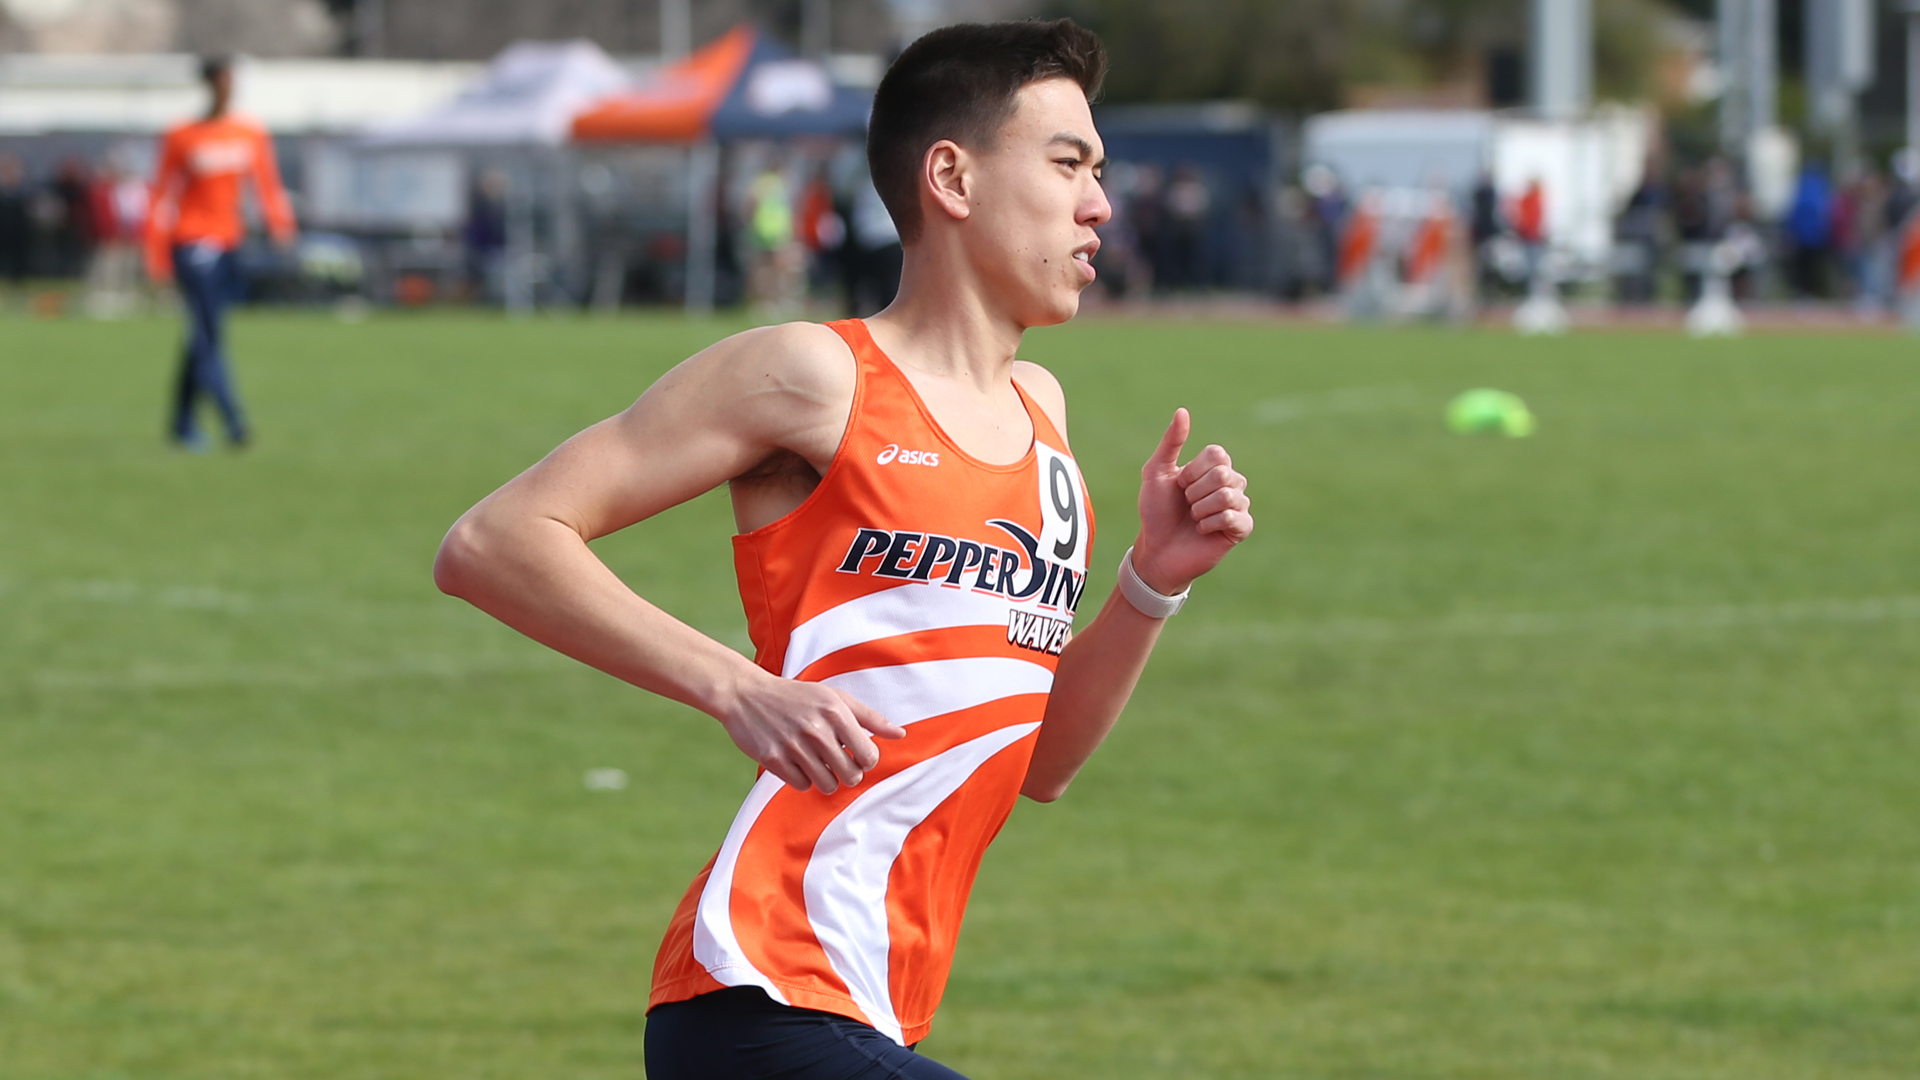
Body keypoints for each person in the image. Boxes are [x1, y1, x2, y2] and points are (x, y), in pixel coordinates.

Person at [432, 19, 1252, 1080]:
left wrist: (1149, 583)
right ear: (951, 177)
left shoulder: (1044, 418)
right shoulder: (812, 376)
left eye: (1101, 171)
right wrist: (739, 689)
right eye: (1068, 165)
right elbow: (494, 541)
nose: (1101, 204)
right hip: (757, 987)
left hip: (874, 1007)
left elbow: (1037, 763)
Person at [145, 56, 295, 450]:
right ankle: (234, 421)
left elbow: (267, 185)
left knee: (201, 335)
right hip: (193, 244)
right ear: (210, 84)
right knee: (209, 335)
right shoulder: (183, 135)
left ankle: (181, 424)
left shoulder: (248, 132)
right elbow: (161, 195)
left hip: (229, 242)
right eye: (223, 80)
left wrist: (280, 226)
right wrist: (155, 254)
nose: (229, 87)